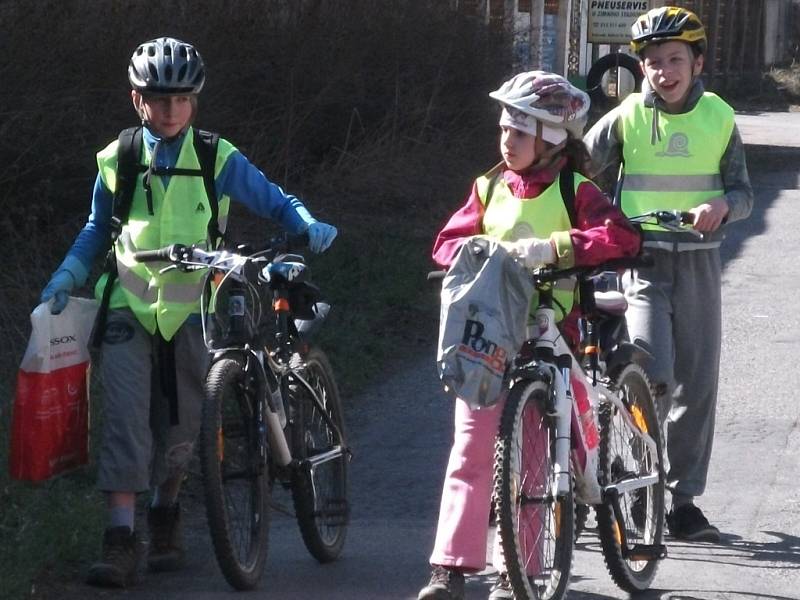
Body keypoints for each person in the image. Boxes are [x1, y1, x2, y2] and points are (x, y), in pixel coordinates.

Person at [39, 37, 337, 587]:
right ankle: (122, 538)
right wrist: (68, 275)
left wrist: (306, 222)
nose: (170, 110)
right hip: (129, 303)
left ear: (194, 102)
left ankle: (166, 516)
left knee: (182, 426)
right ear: (138, 100)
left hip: (194, 309)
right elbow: (96, 229)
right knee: (127, 422)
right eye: (158, 99)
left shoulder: (216, 155)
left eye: (181, 99)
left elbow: (275, 198)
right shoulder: (119, 157)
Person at [418, 71, 640, 600]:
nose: (507, 143)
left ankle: (517, 572)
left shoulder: (575, 189)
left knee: (535, 458)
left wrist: (557, 247)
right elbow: (446, 243)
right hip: (490, 334)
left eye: (520, 133)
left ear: (552, 138)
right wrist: (479, 254)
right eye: (504, 131)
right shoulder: (488, 187)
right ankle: (449, 568)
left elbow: (621, 236)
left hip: (550, 331)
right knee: (471, 449)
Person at [583, 6, 753, 542]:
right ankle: (633, 485)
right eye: (653, 62)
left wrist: (723, 207)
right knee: (652, 376)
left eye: (675, 59)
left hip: (701, 262)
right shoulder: (627, 116)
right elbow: (579, 171)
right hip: (642, 264)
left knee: (697, 386)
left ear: (697, 63)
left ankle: (683, 503)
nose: (663, 71)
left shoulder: (720, 118)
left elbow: (744, 193)